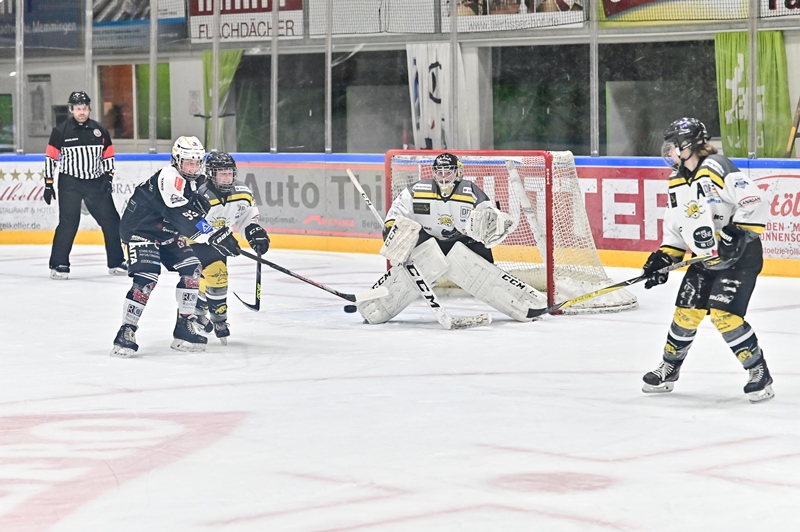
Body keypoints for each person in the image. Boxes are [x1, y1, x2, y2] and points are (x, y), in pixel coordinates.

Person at [641, 117, 772, 403]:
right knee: (685, 314)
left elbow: (755, 201)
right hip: (704, 257)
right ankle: (669, 369)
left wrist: (735, 232)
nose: (670, 151)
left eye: (674, 145)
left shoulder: (716, 167)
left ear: (688, 145)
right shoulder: (676, 179)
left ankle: (758, 371)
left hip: (740, 257)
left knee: (726, 317)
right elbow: (677, 227)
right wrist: (664, 258)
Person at [356, 152, 546, 324]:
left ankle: (523, 303)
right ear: (434, 173)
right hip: (429, 241)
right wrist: (391, 227)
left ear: (458, 172)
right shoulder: (418, 190)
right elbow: (396, 212)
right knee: (417, 260)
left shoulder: (469, 190)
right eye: (440, 172)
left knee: (485, 268)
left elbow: (488, 215)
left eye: (449, 172)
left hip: (463, 241)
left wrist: (492, 223)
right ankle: (378, 307)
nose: (444, 177)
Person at [109, 137, 242, 358]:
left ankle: (184, 326)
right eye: (188, 162)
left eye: (197, 162)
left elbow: (196, 216)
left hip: (167, 233)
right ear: (176, 160)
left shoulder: (197, 181)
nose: (193, 167)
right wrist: (216, 236)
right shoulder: (170, 177)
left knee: (192, 270)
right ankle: (126, 331)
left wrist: (223, 235)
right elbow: (182, 216)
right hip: (140, 231)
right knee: (147, 277)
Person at [43, 91, 126, 280]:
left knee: (112, 221)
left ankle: (116, 262)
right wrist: (48, 184)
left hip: (96, 182)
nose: (82, 112)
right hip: (70, 183)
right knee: (68, 223)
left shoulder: (99, 130)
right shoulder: (61, 131)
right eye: (78, 108)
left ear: (89, 109)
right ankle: (59, 263)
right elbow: (51, 159)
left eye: (85, 108)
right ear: (71, 109)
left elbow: (108, 156)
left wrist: (108, 178)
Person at [189, 152, 270, 344]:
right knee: (217, 274)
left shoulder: (242, 192)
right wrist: (214, 236)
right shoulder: (201, 194)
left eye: (229, 173)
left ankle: (197, 311)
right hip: (193, 241)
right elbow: (193, 223)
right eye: (221, 173)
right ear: (211, 174)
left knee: (210, 278)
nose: (227, 177)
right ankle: (219, 320)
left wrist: (253, 231)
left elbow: (246, 217)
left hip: (220, 239)